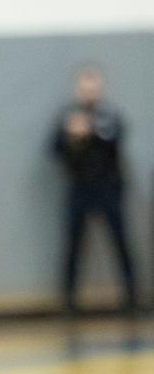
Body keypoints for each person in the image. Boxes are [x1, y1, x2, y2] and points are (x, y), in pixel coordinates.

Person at [51, 65, 138, 314]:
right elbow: (54, 149)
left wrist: (91, 131)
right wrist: (71, 136)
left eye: (94, 88)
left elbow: (116, 140)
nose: (89, 93)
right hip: (79, 188)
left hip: (108, 188)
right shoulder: (67, 116)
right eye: (85, 88)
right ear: (78, 90)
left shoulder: (109, 115)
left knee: (121, 243)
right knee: (74, 245)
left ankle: (131, 297)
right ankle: (68, 301)